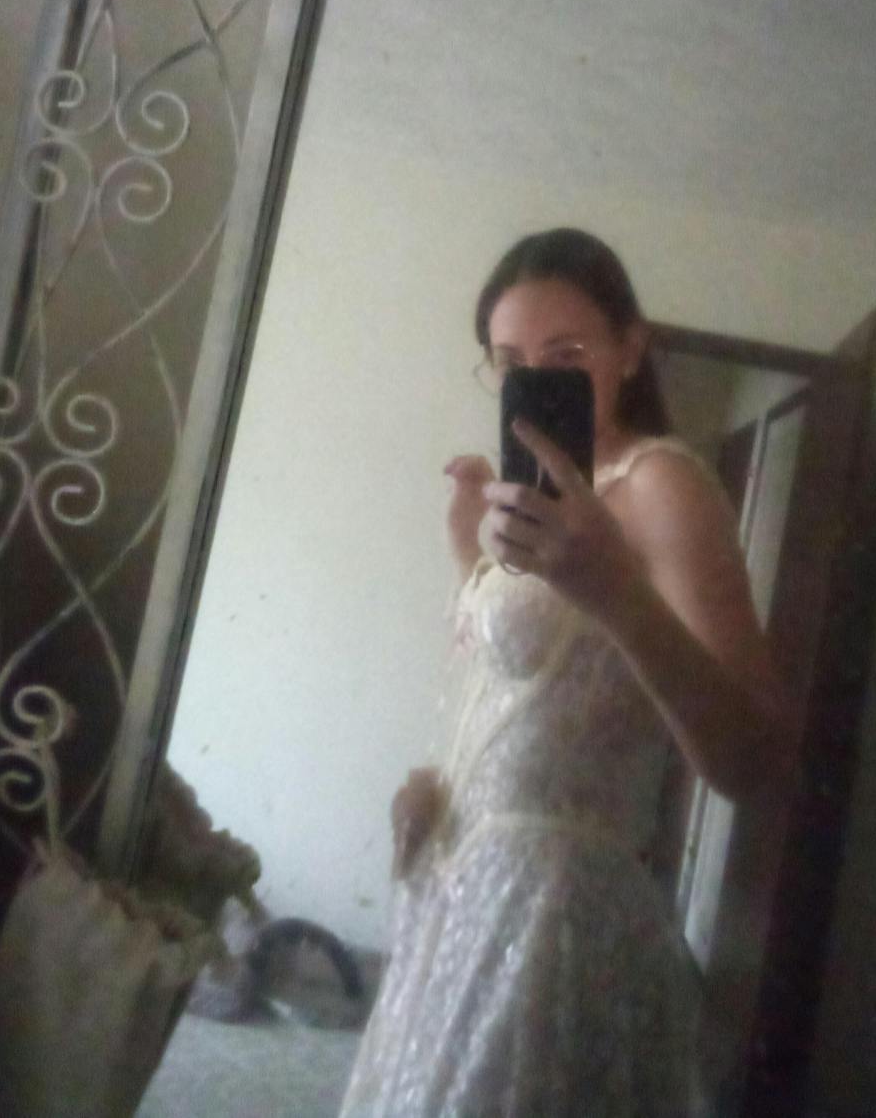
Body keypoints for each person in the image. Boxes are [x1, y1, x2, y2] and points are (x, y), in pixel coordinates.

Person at [338, 228, 793, 1118]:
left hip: (556, 921)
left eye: (566, 355)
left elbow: (755, 761)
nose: (533, 380)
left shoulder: (660, 485)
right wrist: (469, 566)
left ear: (631, 348)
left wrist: (614, 589)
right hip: (461, 901)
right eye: (510, 362)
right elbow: (525, 695)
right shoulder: (532, 503)